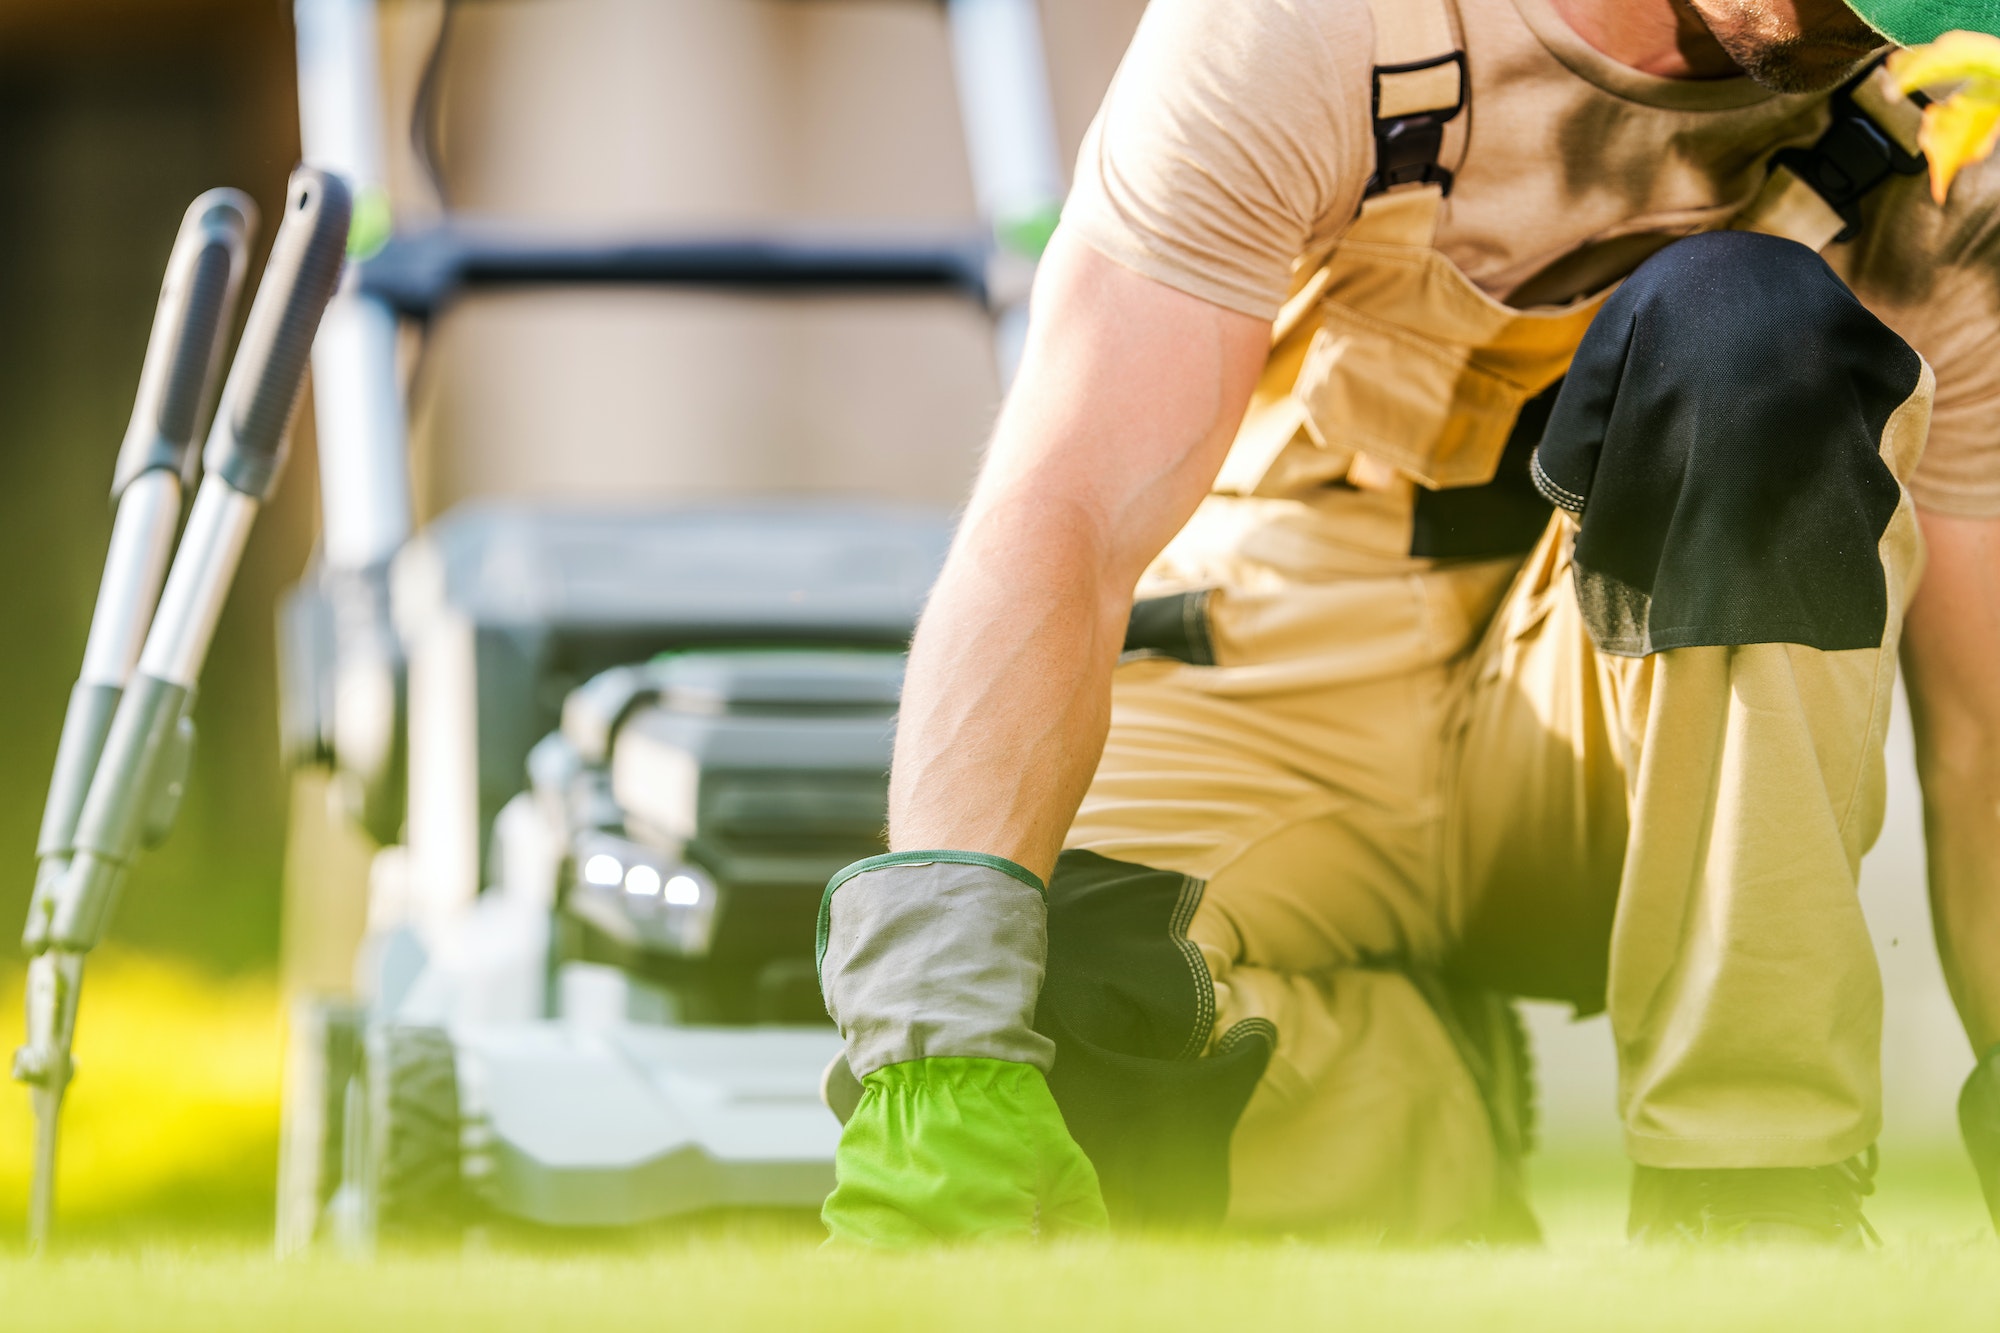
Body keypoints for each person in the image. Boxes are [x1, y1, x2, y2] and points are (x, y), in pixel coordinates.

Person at [813, 0, 2000, 1245]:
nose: (1871, 33)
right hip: (1274, 656)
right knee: (1047, 1014)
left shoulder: (1942, 146)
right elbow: (1067, 507)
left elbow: (1979, 731)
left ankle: (1749, 1205)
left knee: (1745, 324)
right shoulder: (1312, 27)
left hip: (1643, 747)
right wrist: (937, 1041)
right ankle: (1414, 1104)